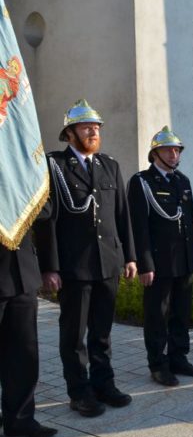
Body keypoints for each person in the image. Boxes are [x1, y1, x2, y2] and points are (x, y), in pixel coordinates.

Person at [37, 99, 136, 417]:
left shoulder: (110, 165)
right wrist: (50, 266)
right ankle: (79, 392)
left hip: (108, 263)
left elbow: (123, 215)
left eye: (96, 127)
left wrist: (130, 257)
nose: (93, 131)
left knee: (102, 331)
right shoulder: (54, 166)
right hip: (74, 266)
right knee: (74, 334)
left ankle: (104, 384)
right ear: (69, 133)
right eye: (86, 127)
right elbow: (47, 221)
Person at [127, 127, 193, 386]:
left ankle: (178, 358)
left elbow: (192, 220)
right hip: (159, 263)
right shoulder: (142, 182)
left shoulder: (182, 180)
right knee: (157, 316)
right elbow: (139, 226)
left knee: (181, 313)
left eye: (177, 150)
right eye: (168, 150)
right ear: (155, 153)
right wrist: (144, 263)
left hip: (183, 259)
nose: (174, 154)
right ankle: (158, 364)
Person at [1, 202, 58, 437]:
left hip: (22, 271)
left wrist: (49, 267)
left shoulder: (23, 165)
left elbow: (45, 213)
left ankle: (20, 419)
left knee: (25, 352)